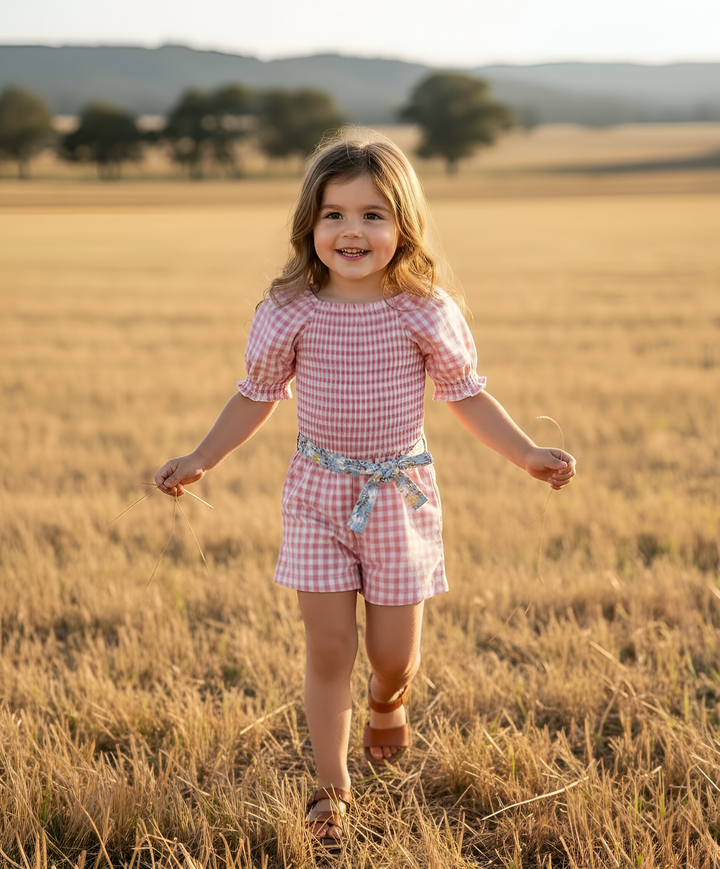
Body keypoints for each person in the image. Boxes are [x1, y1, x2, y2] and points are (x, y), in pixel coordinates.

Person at [154, 130, 576, 848]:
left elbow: (466, 395)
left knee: (391, 654)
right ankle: (331, 788)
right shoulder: (290, 310)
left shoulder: (423, 309)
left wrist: (528, 453)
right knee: (327, 649)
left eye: (373, 214)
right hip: (316, 494)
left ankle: (389, 700)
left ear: (402, 225)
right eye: (335, 214)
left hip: (398, 499)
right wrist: (201, 455)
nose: (352, 230)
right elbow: (256, 396)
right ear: (310, 225)